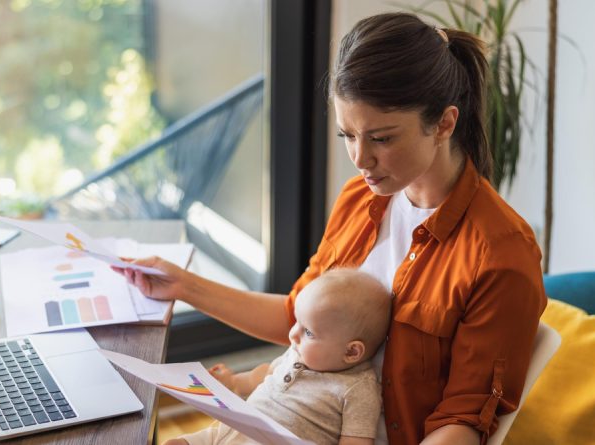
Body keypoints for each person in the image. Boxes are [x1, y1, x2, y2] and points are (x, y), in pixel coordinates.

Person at [115, 12, 546, 445]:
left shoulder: (500, 254)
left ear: (445, 124)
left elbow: (463, 422)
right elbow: (297, 316)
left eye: (382, 138)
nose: (361, 159)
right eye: (347, 135)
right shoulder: (360, 200)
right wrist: (183, 286)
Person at [165, 269, 392, 445]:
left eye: (309, 332)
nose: (293, 334)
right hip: (228, 432)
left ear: (351, 352)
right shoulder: (298, 351)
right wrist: (234, 382)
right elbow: (266, 373)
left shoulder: (359, 390)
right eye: (296, 322)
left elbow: (356, 440)